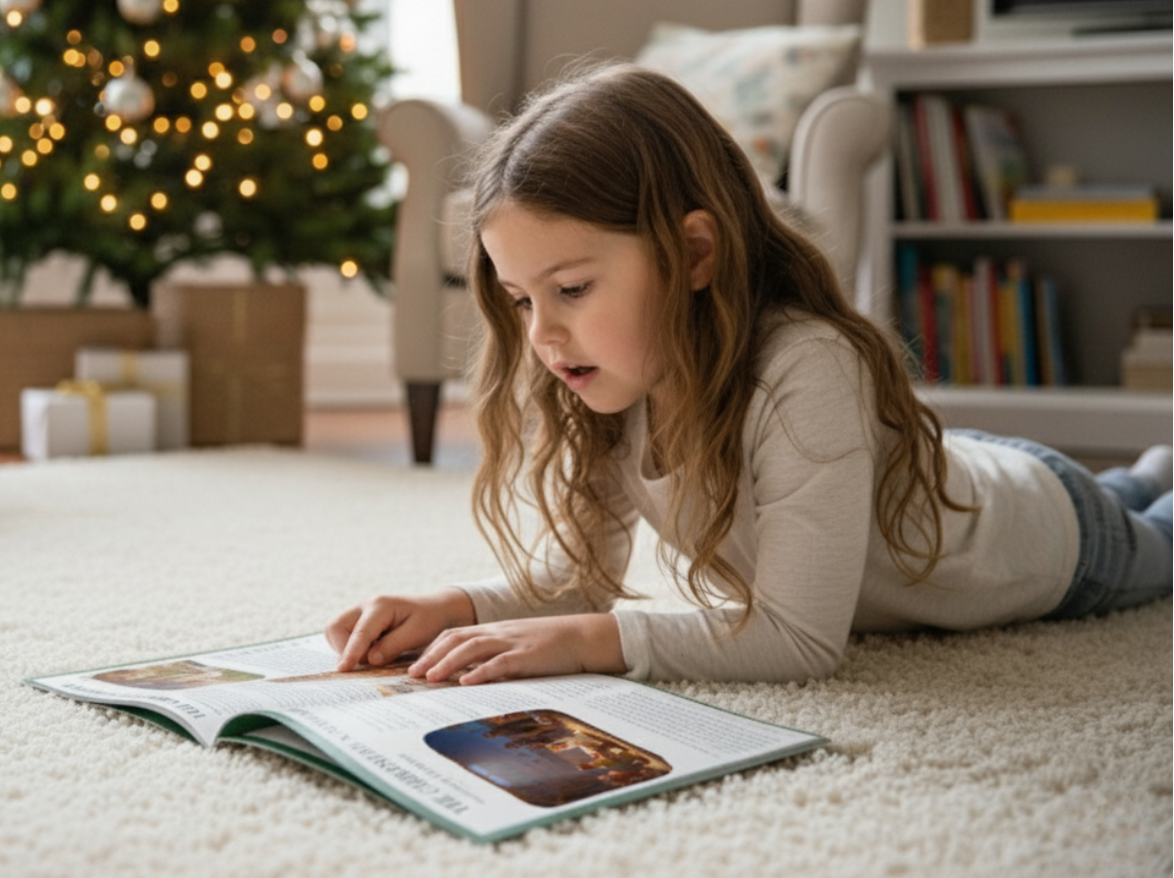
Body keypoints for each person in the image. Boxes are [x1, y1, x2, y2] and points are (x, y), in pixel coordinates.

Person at [326, 63, 1174, 685]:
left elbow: (800, 641)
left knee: (1158, 536)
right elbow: (576, 574)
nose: (543, 334)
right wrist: (456, 606)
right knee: (1134, 482)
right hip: (945, 470)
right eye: (519, 299)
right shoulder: (612, 376)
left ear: (694, 251)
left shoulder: (804, 370)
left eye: (573, 288)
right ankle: (1143, 473)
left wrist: (595, 640)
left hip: (1050, 538)